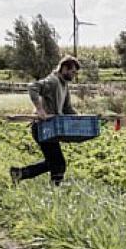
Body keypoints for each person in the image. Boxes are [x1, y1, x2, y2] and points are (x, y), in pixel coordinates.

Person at [10, 55, 80, 186]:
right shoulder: (53, 81)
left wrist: (80, 118)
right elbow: (32, 87)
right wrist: (40, 109)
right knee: (58, 163)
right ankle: (55, 189)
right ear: (64, 68)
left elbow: (67, 108)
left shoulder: (64, 85)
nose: (74, 75)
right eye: (72, 72)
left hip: (51, 127)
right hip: (42, 127)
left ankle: (19, 173)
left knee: (53, 162)